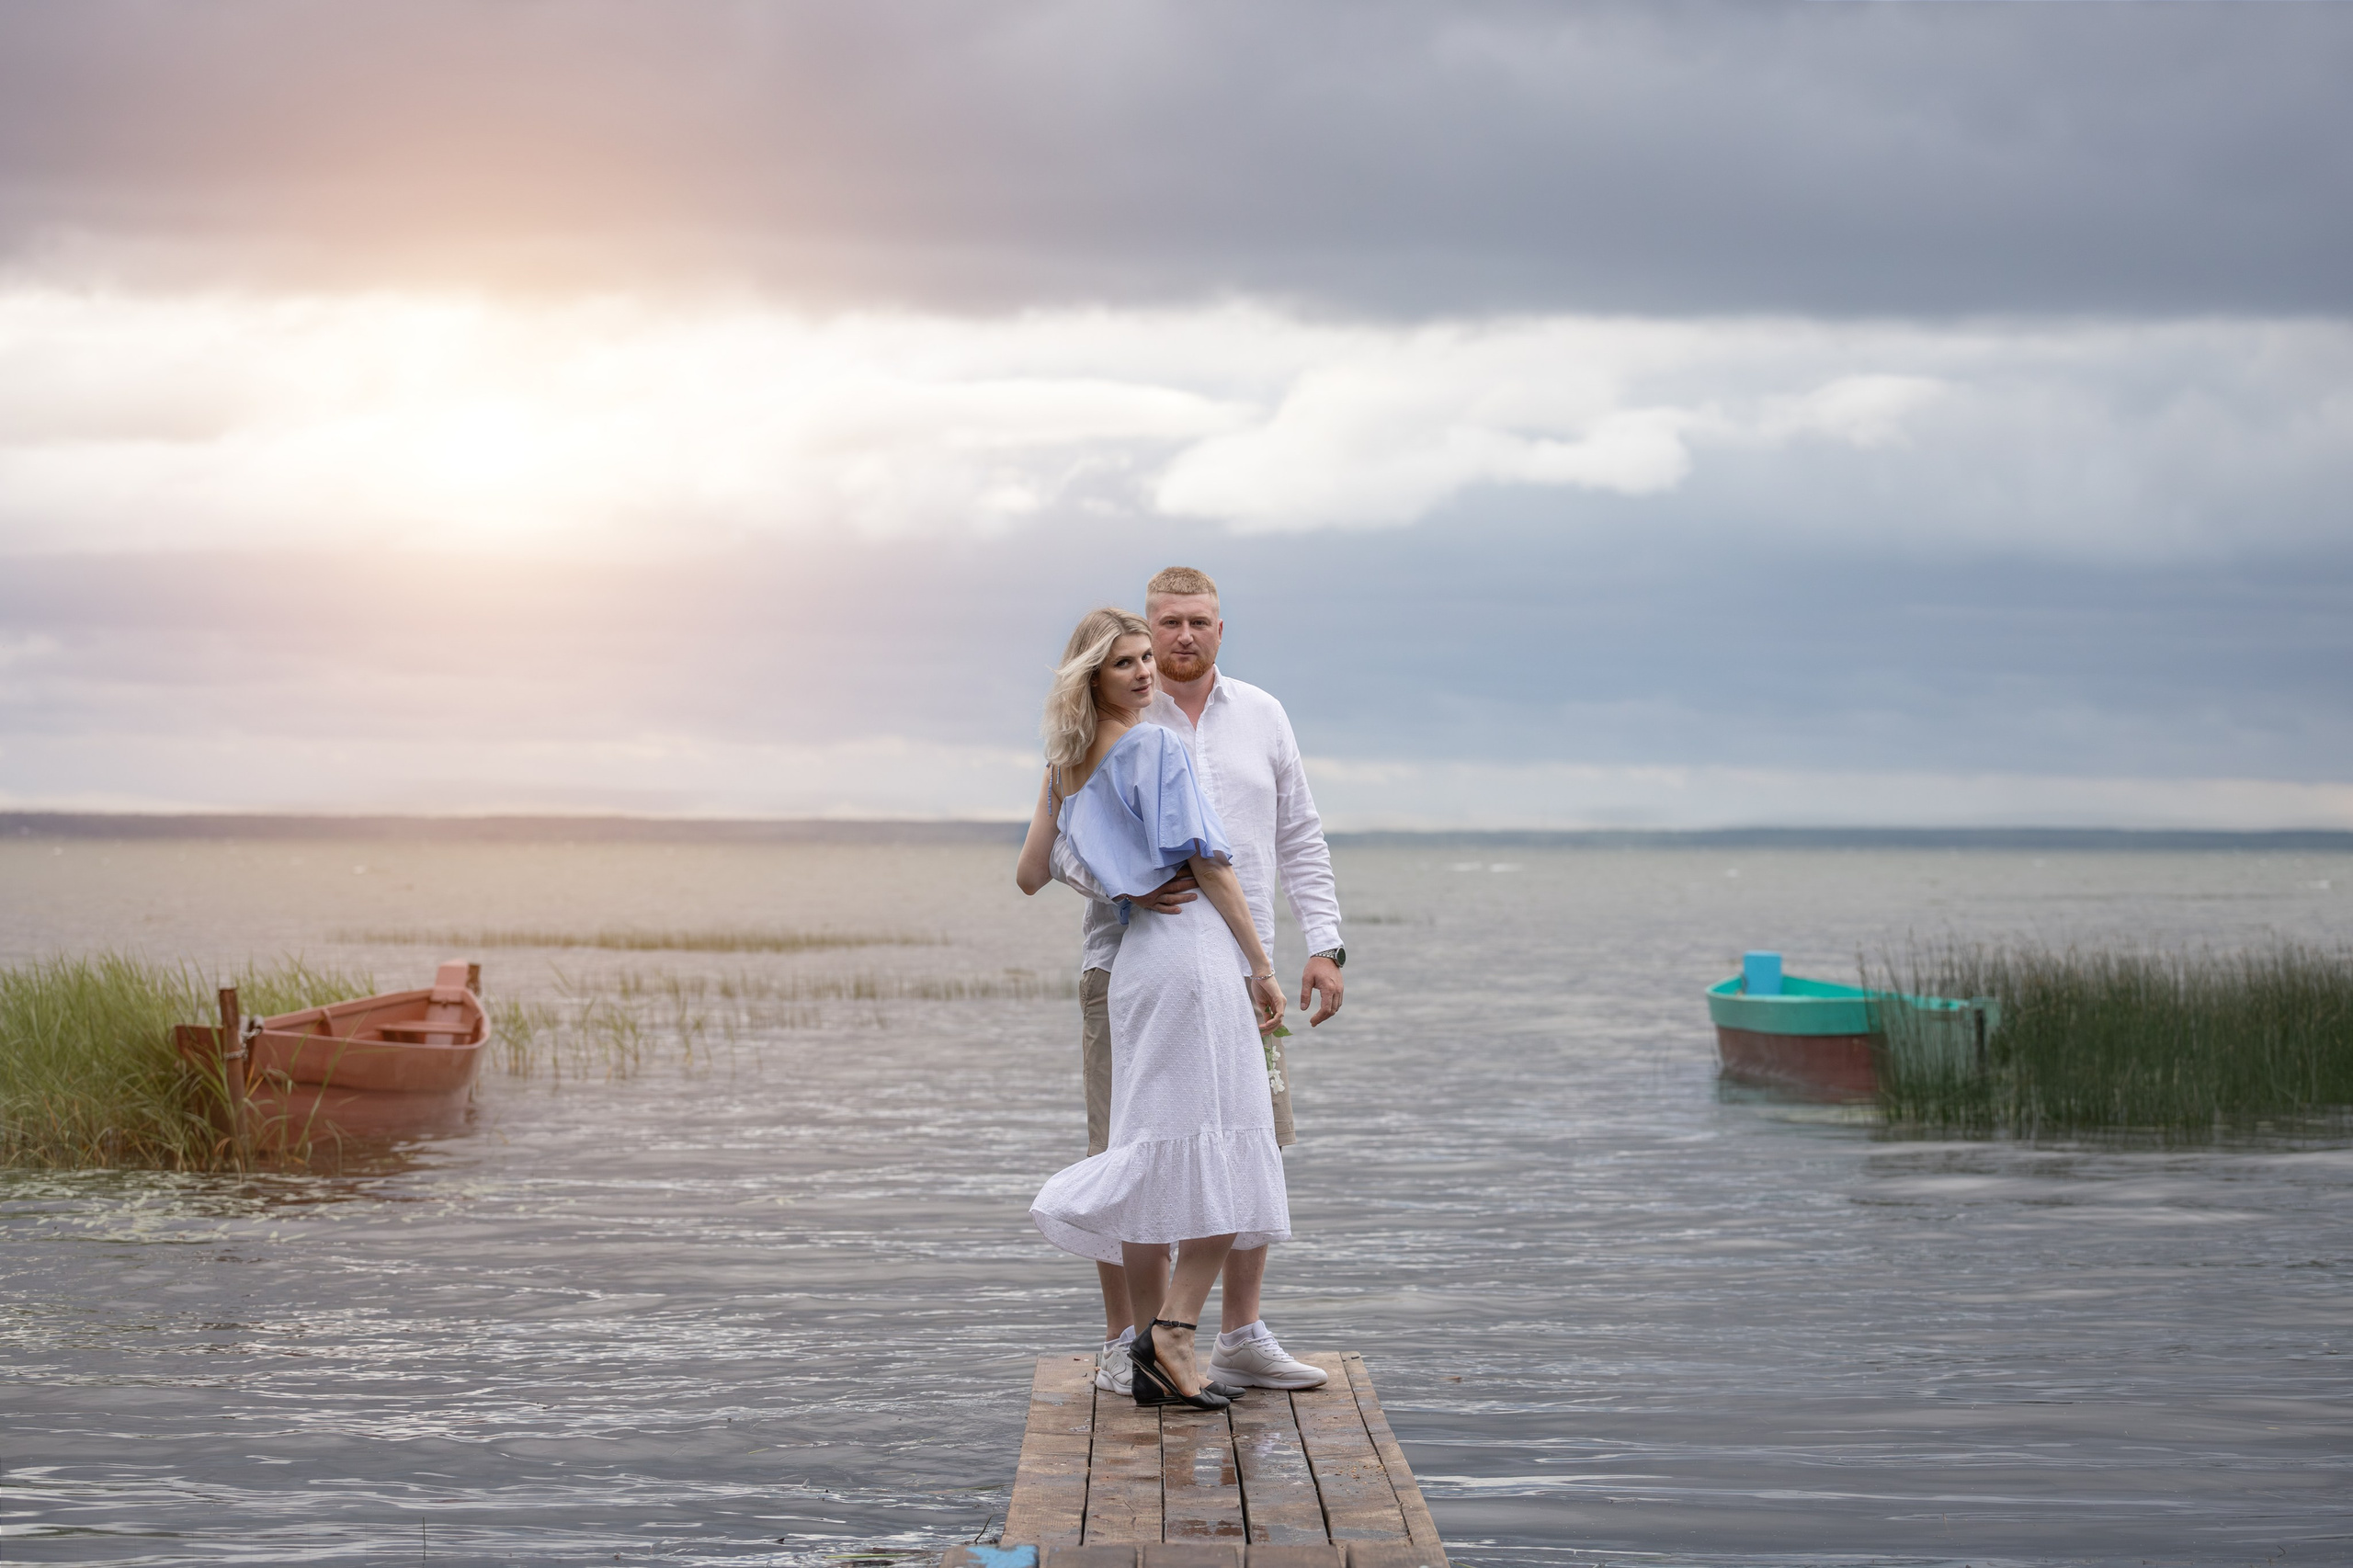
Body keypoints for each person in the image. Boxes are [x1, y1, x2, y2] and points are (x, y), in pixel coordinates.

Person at [1048, 567, 1345, 1396]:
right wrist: (1120, 885)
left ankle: (1239, 1333)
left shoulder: (1261, 714)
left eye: (1199, 622)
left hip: (1238, 972)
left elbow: (1299, 837)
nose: (1179, 641)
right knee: (1136, 1145)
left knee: (1251, 1138)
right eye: (1165, 626)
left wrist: (1325, 945)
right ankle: (1135, 1341)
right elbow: (1068, 846)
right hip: (1130, 965)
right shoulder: (1118, 727)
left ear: (1222, 627)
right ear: (1132, 638)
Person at [1017, 607, 1290, 1409]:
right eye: (1124, 663)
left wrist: (1118, 881)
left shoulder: (1063, 767)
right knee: (1230, 1135)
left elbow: (1034, 871)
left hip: (1136, 958)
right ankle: (1172, 1332)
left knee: (1160, 1140)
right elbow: (1211, 863)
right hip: (1194, 955)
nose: (1143, 673)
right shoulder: (1157, 745)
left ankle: (1154, 1352)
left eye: (1145, 659)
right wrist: (1263, 964)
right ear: (1092, 677)